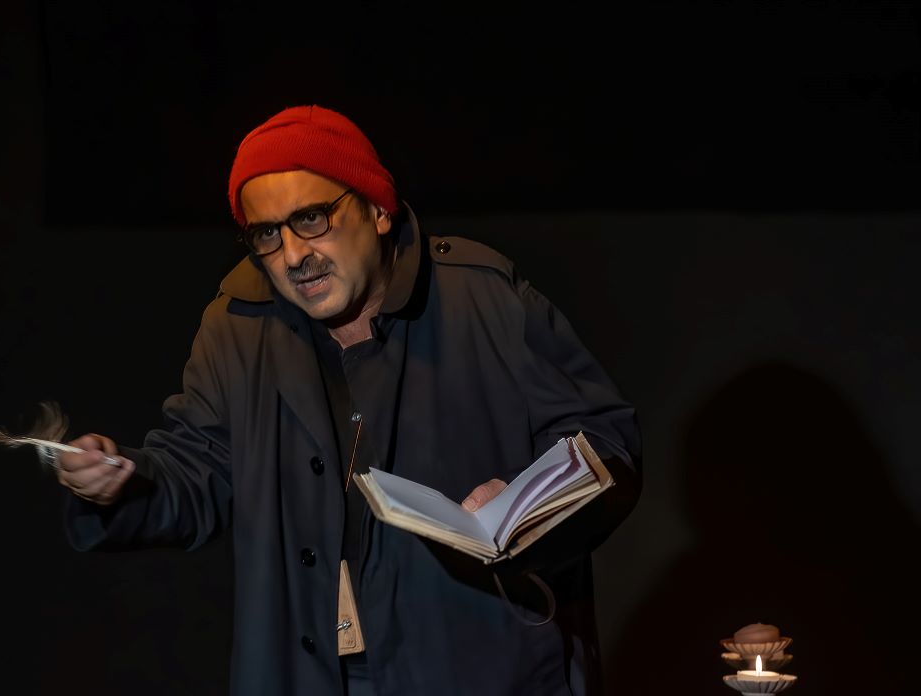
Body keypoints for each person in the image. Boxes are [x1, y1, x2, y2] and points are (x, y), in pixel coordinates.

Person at [55, 104, 641, 696]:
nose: (292, 255)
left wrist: (518, 503)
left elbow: (606, 444)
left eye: (311, 219)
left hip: (474, 666)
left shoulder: (483, 298)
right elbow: (197, 471)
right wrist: (120, 484)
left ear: (378, 210)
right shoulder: (238, 327)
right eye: (267, 233)